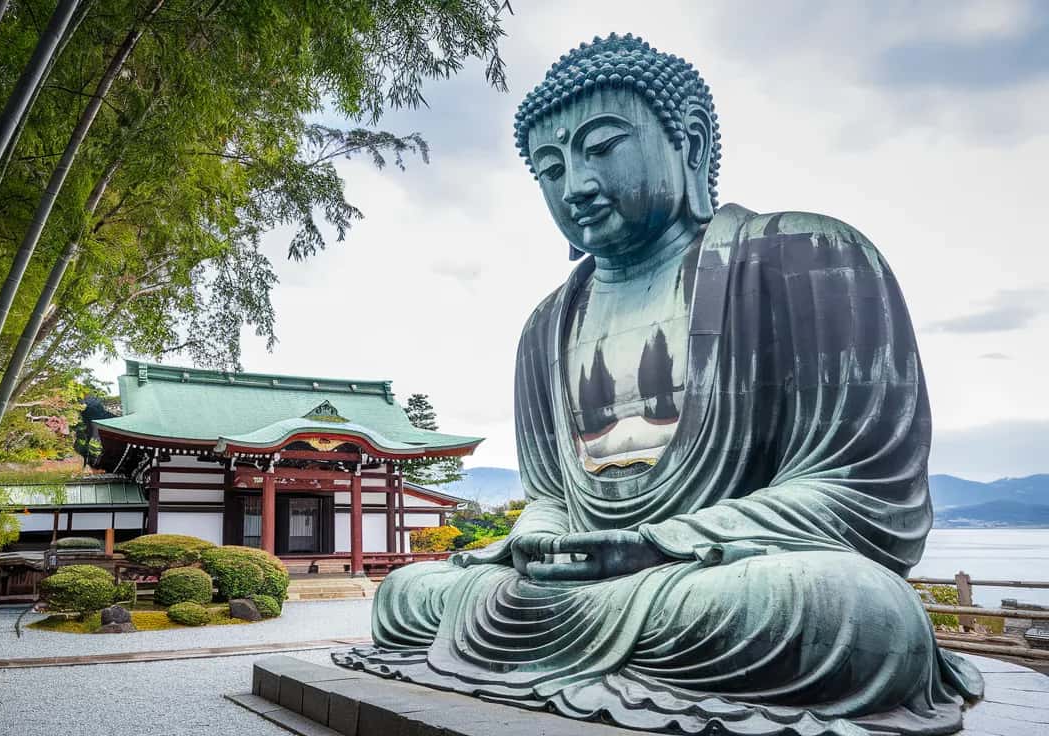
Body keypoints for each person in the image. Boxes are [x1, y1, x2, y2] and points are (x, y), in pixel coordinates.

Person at [336, 33, 983, 736]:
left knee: (858, 615)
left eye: (603, 147)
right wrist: (543, 541)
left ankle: (562, 650)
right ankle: (578, 646)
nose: (575, 184)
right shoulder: (545, 327)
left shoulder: (810, 257)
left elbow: (861, 497)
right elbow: (554, 497)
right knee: (406, 596)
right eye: (550, 167)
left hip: (712, 579)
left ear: (692, 144)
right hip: (599, 592)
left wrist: (655, 543)